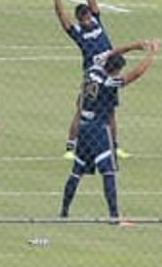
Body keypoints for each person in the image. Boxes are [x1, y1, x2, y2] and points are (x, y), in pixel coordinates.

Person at [61, 39, 157, 225]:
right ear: (115, 70)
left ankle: (63, 212)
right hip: (98, 129)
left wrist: (133, 46)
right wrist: (151, 53)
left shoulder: (93, 68)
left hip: (84, 127)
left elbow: (113, 51)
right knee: (108, 172)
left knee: (76, 172)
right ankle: (114, 217)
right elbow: (135, 74)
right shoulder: (109, 81)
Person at [52, 0, 120, 161]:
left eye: (88, 17)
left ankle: (114, 146)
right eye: (84, 20)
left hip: (109, 72)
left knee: (111, 111)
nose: (88, 21)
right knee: (82, 109)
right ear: (79, 20)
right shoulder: (77, 33)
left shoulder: (97, 21)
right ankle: (70, 146)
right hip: (92, 76)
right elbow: (60, 14)